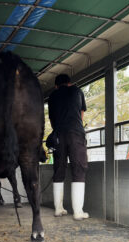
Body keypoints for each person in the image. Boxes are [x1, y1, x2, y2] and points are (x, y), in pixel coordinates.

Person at [48, 74, 89, 221]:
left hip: (59, 135)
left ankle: (58, 209)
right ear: (70, 83)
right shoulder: (77, 91)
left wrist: (59, 130)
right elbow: (81, 112)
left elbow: (52, 120)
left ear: (56, 86)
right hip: (75, 133)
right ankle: (78, 212)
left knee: (59, 169)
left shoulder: (52, 96)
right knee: (79, 168)